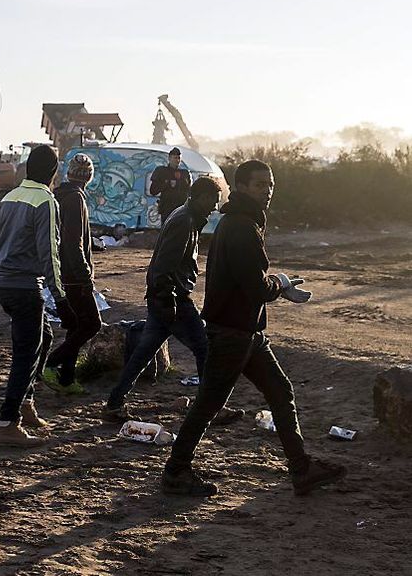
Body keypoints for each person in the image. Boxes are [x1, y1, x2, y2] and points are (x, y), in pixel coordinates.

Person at [161, 160, 346, 497]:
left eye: (270, 184)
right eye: (260, 185)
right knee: (209, 404)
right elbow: (257, 288)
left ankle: (301, 468)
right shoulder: (242, 227)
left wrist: (274, 285)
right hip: (233, 332)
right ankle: (175, 471)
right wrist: (282, 283)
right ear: (242, 187)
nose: (268, 191)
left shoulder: (236, 223)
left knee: (280, 391)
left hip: (245, 332)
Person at [103, 177, 222, 421]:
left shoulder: (185, 217)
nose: (214, 208)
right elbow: (164, 267)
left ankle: (114, 403)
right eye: (212, 201)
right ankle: (208, 407)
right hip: (173, 298)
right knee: (204, 348)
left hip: (164, 298)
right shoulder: (184, 222)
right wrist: (169, 303)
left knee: (144, 353)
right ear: (199, 197)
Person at [0, 145, 77, 447]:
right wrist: (62, 299)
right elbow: (49, 255)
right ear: (53, 171)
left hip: (3, 282)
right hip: (25, 286)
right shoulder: (45, 200)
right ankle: (7, 421)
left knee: (45, 337)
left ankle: (26, 402)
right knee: (26, 354)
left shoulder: (9, 197)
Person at [40, 153, 103, 395]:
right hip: (75, 275)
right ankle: (50, 364)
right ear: (89, 177)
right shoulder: (75, 199)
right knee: (92, 325)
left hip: (63, 271)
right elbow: (73, 242)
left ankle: (66, 378)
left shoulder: (60, 196)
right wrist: (85, 275)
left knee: (76, 325)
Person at [149, 147, 191, 225]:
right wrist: (166, 184)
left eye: (179, 158)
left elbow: (189, 191)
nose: (177, 160)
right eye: (175, 158)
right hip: (167, 208)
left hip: (181, 209)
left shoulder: (185, 173)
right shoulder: (161, 171)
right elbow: (153, 191)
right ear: (169, 158)